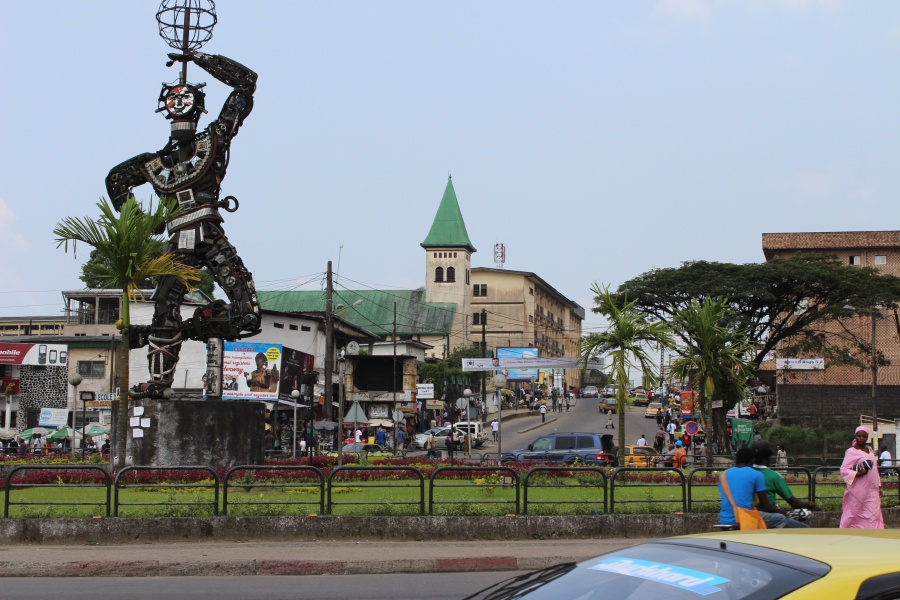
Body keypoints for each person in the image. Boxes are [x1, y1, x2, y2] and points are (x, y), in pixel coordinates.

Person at [106, 49, 261, 398]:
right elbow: (116, 180)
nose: (180, 112)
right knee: (164, 304)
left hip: (209, 231)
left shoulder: (213, 141)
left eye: (186, 104)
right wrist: (142, 223)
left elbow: (246, 85)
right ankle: (159, 381)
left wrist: (200, 58)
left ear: (196, 108)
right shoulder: (155, 163)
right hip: (177, 241)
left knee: (247, 314)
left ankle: (189, 328)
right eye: (174, 104)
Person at [751, 441, 815, 528]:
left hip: (747, 516)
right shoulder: (773, 476)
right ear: (768, 457)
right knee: (804, 528)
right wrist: (808, 504)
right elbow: (794, 503)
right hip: (770, 518)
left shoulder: (745, 473)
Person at [718, 447, 785, 528]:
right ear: (753, 460)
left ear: (736, 459)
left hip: (723, 520)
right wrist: (781, 512)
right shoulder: (756, 475)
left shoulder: (723, 475)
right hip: (744, 519)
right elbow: (766, 506)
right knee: (781, 519)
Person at [840, 426, 884, 529]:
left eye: (864, 436)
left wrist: (879, 486)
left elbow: (875, 470)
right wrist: (858, 473)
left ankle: (874, 533)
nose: (861, 438)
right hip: (859, 489)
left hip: (872, 489)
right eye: (859, 436)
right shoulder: (851, 452)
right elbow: (844, 469)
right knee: (855, 512)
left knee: (874, 511)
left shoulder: (870, 450)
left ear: (867, 437)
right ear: (856, 436)